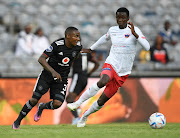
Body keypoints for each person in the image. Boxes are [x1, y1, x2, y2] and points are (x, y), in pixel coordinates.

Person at [67, 7, 150, 127]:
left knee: (101, 101)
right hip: (111, 63)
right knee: (103, 80)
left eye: (123, 17)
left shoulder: (134, 30)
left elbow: (147, 47)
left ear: (127, 18)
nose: (120, 19)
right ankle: (77, 103)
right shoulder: (112, 30)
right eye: (118, 17)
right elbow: (104, 38)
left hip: (123, 72)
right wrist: (91, 48)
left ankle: (85, 116)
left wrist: (135, 35)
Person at [12, 27, 82, 129]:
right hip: (47, 75)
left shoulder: (77, 47)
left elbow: (74, 57)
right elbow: (41, 59)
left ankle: (42, 107)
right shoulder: (57, 45)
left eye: (78, 36)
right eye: (76, 36)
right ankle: (18, 121)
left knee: (57, 103)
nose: (78, 39)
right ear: (68, 36)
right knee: (34, 100)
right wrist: (53, 71)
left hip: (61, 78)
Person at [66, 49, 99, 125]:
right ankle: (77, 110)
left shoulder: (74, 52)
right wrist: (89, 73)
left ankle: (77, 117)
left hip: (77, 76)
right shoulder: (86, 53)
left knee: (69, 99)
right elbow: (97, 63)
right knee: (73, 98)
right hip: (84, 78)